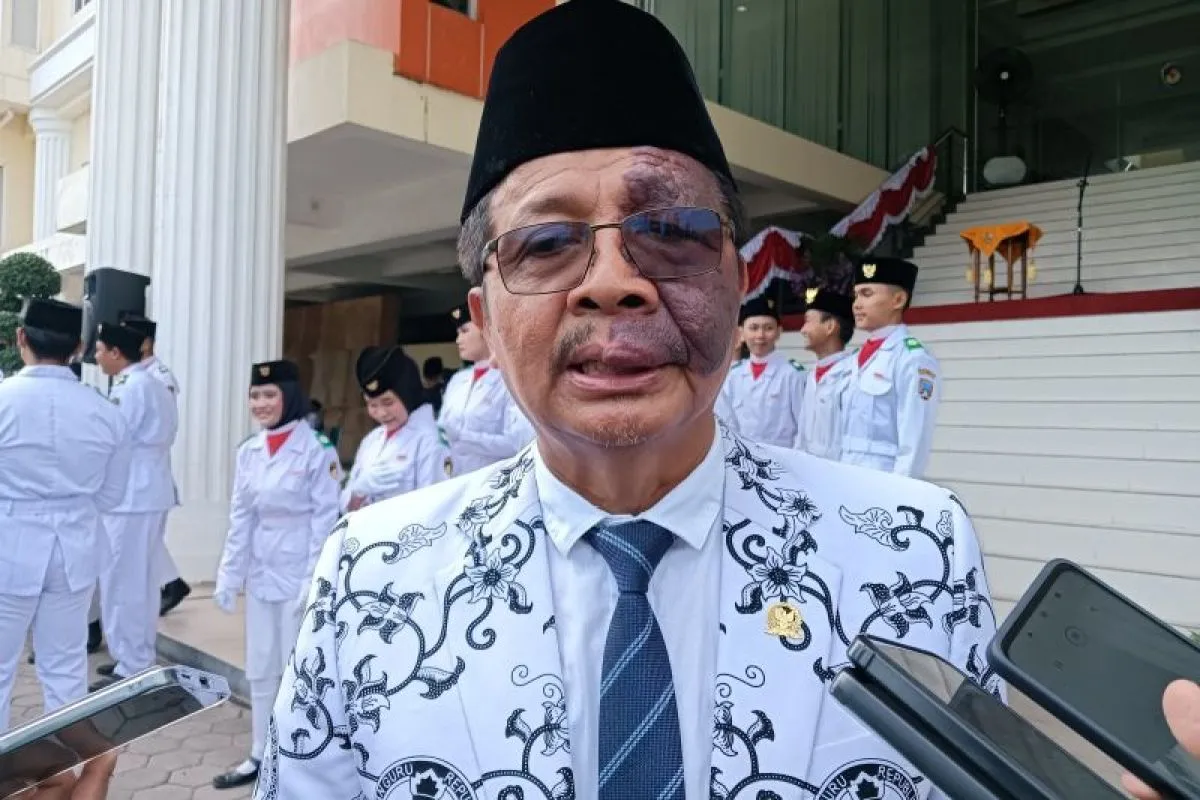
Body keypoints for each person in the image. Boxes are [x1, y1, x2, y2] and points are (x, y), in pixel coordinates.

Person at [257, 3, 999, 798]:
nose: (613, 283)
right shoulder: (370, 573)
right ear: (486, 322)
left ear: (736, 284)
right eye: (546, 243)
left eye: (671, 231)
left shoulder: (912, 552)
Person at [211, 359, 342, 790]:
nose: (261, 403)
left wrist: (313, 579)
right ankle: (260, 752)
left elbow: (326, 518)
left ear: (289, 396)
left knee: (300, 671)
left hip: (300, 573)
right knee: (260, 668)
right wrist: (229, 576)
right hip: (263, 574)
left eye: (270, 394)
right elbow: (241, 517)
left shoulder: (317, 448)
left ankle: (302, 759)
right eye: (255, 395)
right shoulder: (249, 450)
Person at [0, 300, 130, 732]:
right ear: (78, 347)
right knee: (65, 668)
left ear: (21, 338)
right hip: (75, 547)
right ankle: (67, 766)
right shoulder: (106, 411)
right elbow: (112, 496)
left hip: (9, 543)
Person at [89, 322, 177, 691]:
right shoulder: (152, 382)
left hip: (129, 496)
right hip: (149, 491)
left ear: (115, 353)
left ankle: (131, 664)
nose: (96, 357)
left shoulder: (131, 386)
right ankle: (138, 656)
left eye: (100, 350)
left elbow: (112, 438)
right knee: (141, 580)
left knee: (121, 581)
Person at [114, 312, 191, 617]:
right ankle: (171, 582)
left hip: (145, 476)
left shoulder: (158, 377)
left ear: (145, 343)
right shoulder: (132, 376)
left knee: (137, 550)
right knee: (140, 547)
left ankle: (170, 583)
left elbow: (154, 428)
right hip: (136, 476)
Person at [840, 257, 941, 478]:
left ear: (898, 300)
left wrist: (898, 492)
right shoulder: (853, 359)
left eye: (867, 294)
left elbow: (915, 439)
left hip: (882, 480)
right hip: (844, 475)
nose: (856, 304)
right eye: (856, 295)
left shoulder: (912, 358)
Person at [341, 346, 448, 512]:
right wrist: (358, 493)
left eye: (388, 402)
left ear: (407, 394)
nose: (381, 413)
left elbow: (435, 509)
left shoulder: (430, 440)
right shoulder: (371, 440)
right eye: (372, 405)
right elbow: (345, 507)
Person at [438, 303, 530, 476]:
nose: (458, 340)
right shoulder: (457, 381)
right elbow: (442, 433)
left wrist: (466, 437)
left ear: (486, 331)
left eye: (464, 331)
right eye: (457, 333)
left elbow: (519, 444)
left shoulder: (508, 380)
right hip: (455, 479)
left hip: (492, 480)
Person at [715, 295, 806, 447]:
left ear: (779, 332)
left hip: (781, 455)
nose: (760, 335)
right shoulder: (732, 374)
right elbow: (724, 421)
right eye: (754, 328)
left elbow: (803, 426)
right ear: (741, 333)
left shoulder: (793, 374)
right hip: (742, 454)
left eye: (768, 328)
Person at [797, 287, 856, 461]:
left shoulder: (853, 374)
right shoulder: (812, 374)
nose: (802, 330)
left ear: (830, 326)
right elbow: (802, 433)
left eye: (808, 321)